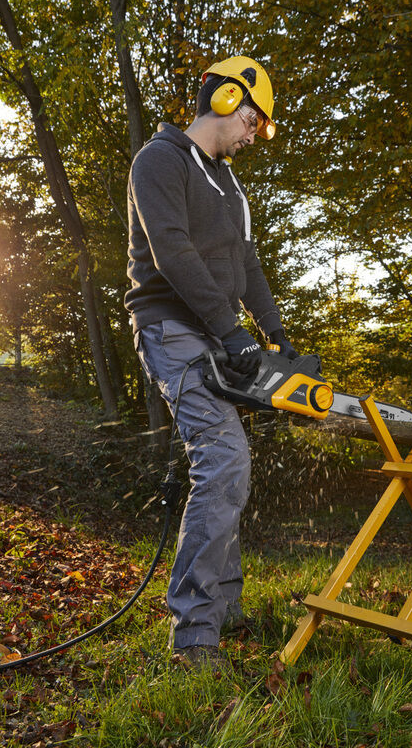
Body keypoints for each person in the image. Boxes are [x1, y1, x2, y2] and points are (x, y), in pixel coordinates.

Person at [125, 56, 297, 670]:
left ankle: (225, 611)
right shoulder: (160, 160)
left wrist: (272, 333)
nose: (254, 134)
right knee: (223, 461)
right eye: (253, 120)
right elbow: (170, 250)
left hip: (217, 337)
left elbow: (246, 264)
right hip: (172, 328)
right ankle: (195, 636)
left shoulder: (228, 183)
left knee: (231, 464)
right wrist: (230, 330)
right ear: (225, 99)